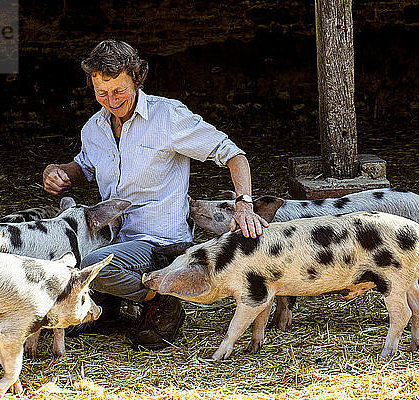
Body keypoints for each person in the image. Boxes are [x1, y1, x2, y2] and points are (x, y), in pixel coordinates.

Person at [43, 39, 268, 349]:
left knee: (96, 265)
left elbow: (232, 154)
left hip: (160, 241)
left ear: (137, 78)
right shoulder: (94, 128)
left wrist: (244, 204)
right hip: (114, 236)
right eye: (101, 93)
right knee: (64, 256)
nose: (111, 100)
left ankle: (163, 300)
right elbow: (85, 166)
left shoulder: (168, 117)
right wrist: (60, 172)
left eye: (119, 90)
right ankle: (109, 305)